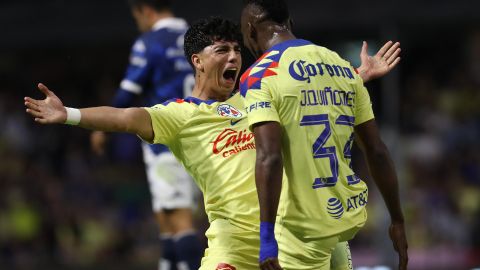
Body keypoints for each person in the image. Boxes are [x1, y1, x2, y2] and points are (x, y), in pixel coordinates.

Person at [25, 17, 401, 270]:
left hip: (294, 235)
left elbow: (310, 92)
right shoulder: (180, 115)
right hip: (233, 243)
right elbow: (125, 118)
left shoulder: (258, 94)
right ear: (197, 61)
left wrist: (357, 76)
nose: (234, 56)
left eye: (237, 50)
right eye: (222, 50)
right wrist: (69, 114)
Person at [239, 0, 408, 270]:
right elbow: (377, 151)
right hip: (342, 222)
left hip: (298, 231)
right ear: (289, 23)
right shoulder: (341, 66)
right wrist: (397, 220)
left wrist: (266, 238)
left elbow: (269, 157)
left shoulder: (259, 76)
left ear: (249, 30)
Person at [90, 0, 202, 269]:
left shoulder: (150, 43)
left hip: (168, 139)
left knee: (179, 218)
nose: (138, 23)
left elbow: (128, 92)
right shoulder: (198, 37)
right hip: (201, 136)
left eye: (136, 17)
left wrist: (102, 126)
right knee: (166, 218)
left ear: (146, 10)